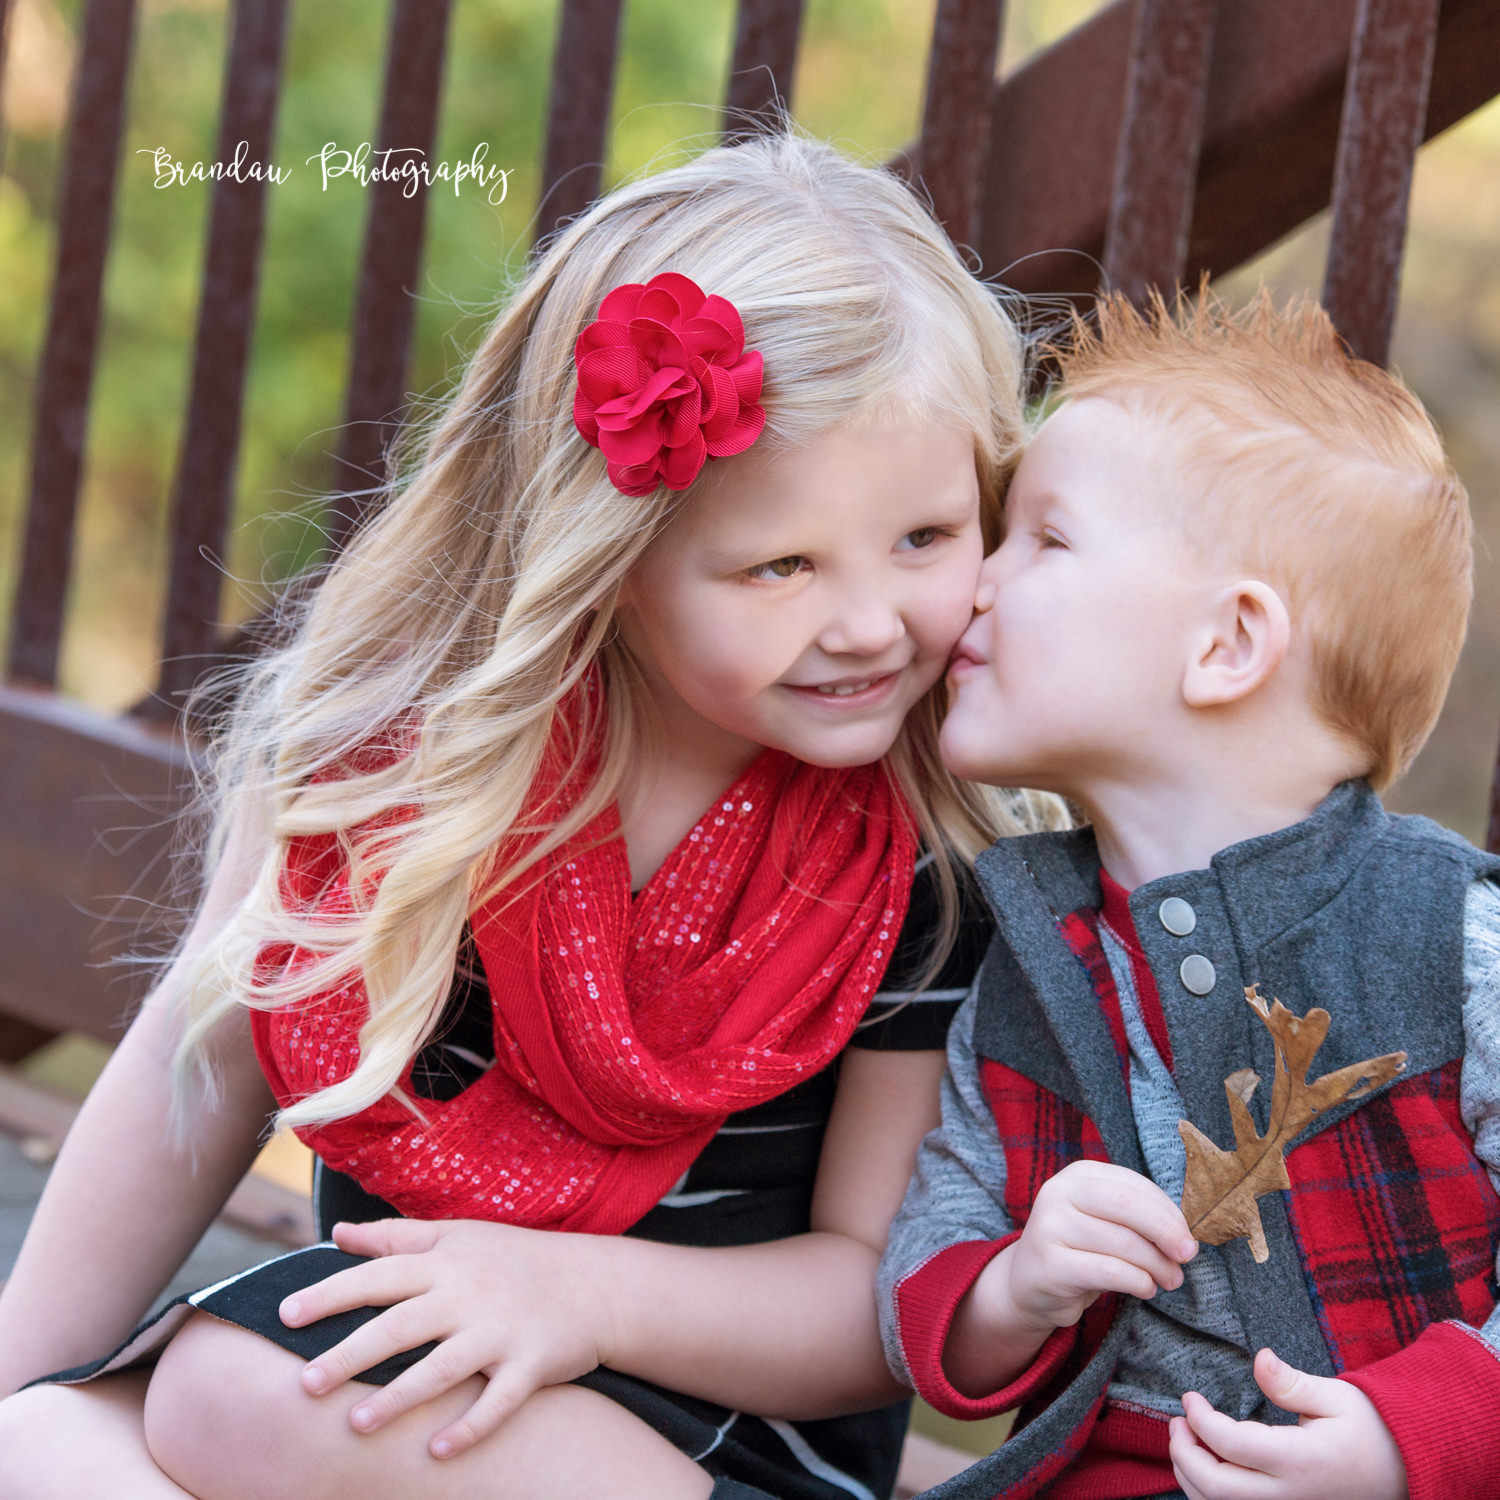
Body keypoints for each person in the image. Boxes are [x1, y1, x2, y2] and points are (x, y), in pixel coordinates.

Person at [0, 132, 1062, 1500]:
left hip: (703, 1455)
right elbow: (191, 1075)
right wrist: (15, 1375)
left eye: (925, 538)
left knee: (231, 1391)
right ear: (610, 556)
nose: (867, 624)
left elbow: (869, 1308)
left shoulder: (914, 868)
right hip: (402, 1402)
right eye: (780, 563)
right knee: (40, 1445)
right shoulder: (391, 768)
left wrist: (575, 1295)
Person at [877, 288, 1500, 1500]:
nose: (974, 586)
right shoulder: (1033, 964)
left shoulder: (1445, 940)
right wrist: (1014, 1286)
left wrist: (1415, 1438)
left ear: (1227, 647)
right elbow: (926, 1270)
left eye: (1043, 541)